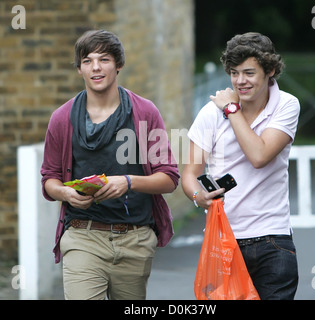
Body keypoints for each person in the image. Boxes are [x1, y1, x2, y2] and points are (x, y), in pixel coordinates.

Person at [40, 30, 179, 300]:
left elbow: (169, 177)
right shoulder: (61, 118)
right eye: (87, 60)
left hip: (134, 238)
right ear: (79, 69)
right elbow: (50, 179)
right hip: (83, 235)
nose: (96, 67)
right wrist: (66, 193)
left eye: (104, 59)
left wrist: (127, 182)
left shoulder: (145, 112)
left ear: (118, 64)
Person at [182, 32, 300, 300]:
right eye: (234, 73)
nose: (240, 81)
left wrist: (232, 111)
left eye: (249, 73)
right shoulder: (210, 113)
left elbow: (259, 155)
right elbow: (189, 174)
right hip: (223, 239)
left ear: (270, 70)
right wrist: (197, 196)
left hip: (273, 239)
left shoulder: (287, 104)